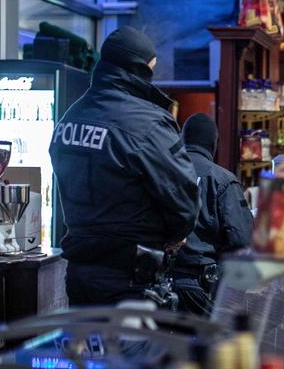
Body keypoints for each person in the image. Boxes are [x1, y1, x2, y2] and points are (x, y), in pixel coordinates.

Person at [49, 26, 201, 306]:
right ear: (139, 69)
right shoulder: (148, 123)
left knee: (89, 347)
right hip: (130, 278)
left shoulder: (69, 118)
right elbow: (183, 195)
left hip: (80, 273)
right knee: (131, 349)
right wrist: (176, 235)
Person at [173, 113, 253, 316]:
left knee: (165, 346)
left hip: (160, 285)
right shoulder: (223, 180)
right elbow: (242, 240)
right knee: (211, 345)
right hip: (201, 286)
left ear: (183, 138)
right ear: (213, 143)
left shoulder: (164, 170)